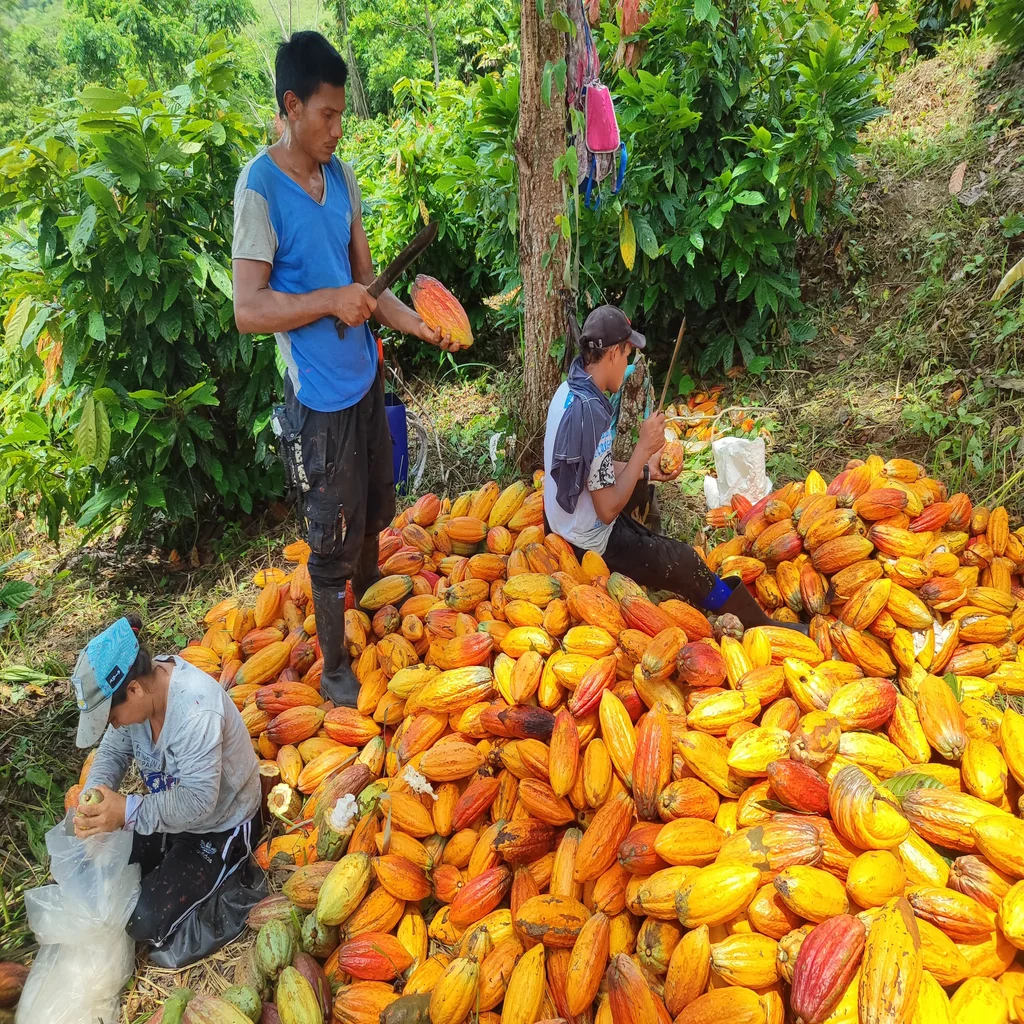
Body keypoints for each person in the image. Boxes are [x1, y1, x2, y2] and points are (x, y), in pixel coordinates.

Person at [232, 31, 459, 708]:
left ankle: (370, 604)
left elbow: (367, 283)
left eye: (341, 116)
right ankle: (335, 666)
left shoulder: (342, 177)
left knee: (373, 511)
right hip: (318, 399)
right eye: (327, 115)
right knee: (329, 531)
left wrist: (416, 322)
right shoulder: (260, 190)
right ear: (291, 106)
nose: (337, 128)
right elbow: (248, 309)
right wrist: (327, 300)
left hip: (364, 380)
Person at [544, 305, 806, 631]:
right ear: (612, 354)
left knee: (643, 513)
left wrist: (647, 471)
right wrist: (642, 449)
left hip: (557, 524)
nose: (627, 365)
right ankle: (756, 624)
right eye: (626, 355)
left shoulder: (569, 391)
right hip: (585, 542)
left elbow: (594, 468)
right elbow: (608, 508)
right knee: (684, 560)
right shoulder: (593, 416)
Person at [73, 615, 263, 960]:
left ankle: (229, 869)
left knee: (142, 921)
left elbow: (198, 801)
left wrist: (128, 811)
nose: (112, 726)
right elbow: (114, 750)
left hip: (219, 823)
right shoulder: (138, 701)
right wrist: (97, 792)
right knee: (99, 874)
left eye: (111, 718)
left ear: (134, 690)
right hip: (170, 811)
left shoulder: (195, 712)